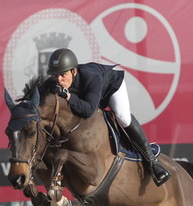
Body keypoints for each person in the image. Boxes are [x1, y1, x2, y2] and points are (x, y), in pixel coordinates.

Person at [47, 48, 170, 186]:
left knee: (122, 117)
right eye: (55, 76)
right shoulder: (57, 81)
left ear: (74, 71)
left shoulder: (91, 77)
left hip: (111, 88)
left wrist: (68, 97)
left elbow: (88, 110)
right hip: (90, 97)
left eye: (63, 75)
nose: (59, 80)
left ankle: (152, 162)